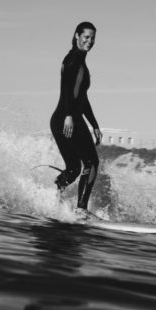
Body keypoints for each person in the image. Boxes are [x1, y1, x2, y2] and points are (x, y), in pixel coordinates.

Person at [50, 21, 102, 211]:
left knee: (73, 169)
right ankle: (81, 209)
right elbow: (67, 91)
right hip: (67, 119)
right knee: (92, 162)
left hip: (59, 120)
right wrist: (70, 115)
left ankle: (50, 198)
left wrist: (94, 124)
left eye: (93, 38)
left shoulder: (78, 59)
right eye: (86, 37)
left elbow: (81, 97)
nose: (90, 41)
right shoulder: (73, 60)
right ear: (76, 36)